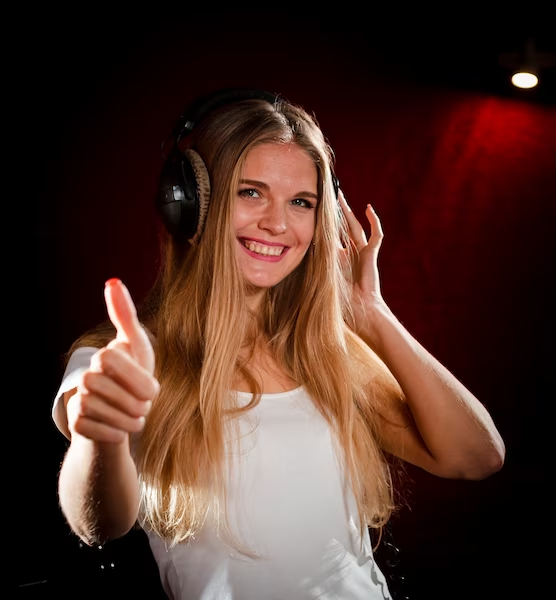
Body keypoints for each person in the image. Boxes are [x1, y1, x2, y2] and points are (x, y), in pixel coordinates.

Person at [51, 88, 506, 599]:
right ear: (191, 206)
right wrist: (101, 436)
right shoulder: (119, 360)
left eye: (301, 202)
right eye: (250, 192)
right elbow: (99, 524)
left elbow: (476, 457)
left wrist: (371, 314)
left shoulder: (334, 358)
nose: (278, 223)